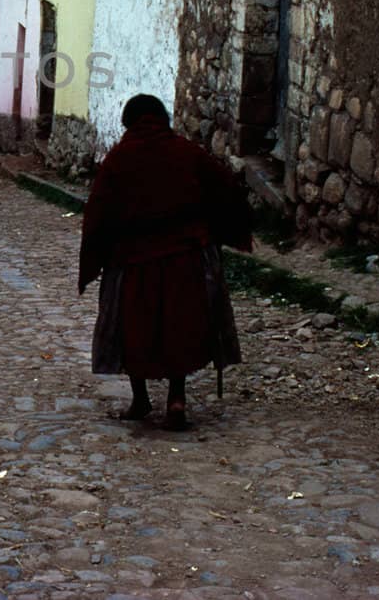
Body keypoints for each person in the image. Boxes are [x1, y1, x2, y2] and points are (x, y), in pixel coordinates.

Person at [78, 94, 251, 430]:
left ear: (129, 123)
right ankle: (176, 398)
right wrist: (215, 231)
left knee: (133, 330)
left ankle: (140, 399)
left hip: (133, 264)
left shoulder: (118, 158)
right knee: (179, 328)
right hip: (186, 259)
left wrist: (94, 262)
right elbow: (227, 189)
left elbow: (98, 214)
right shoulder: (187, 153)